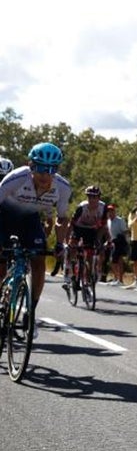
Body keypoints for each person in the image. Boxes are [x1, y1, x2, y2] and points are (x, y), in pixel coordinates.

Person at [0, 143, 71, 338]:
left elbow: (62, 218)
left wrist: (59, 244)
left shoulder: (63, 188)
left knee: (39, 262)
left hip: (30, 220)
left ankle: (30, 312)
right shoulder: (15, 179)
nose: (45, 175)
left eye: (52, 169)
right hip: (4, 216)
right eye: (40, 168)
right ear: (30, 166)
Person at [63, 185, 109, 290]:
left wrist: (98, 239)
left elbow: (103, 226)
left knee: (90, 255)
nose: (92, 200)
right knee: (72, 249)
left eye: (95, 197)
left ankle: (87, 280)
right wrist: (67, 241)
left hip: (92, 230)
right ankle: (68, 273)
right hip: (78, 228)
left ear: (99, 198)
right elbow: (71, 224)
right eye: (89, 197)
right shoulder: (81, 207)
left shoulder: (103, 208)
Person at [106, 204, 128, 285]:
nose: (110, 213)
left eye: (112, 211)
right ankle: (116, 278)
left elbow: (125, 231)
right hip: (112, 242)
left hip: (120, 242)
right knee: (112, 261)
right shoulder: (108, 221)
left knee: (119, 261)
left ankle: (120, 280)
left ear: (114, 211)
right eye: (108, 211)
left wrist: (124, 242)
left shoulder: (119, 220)